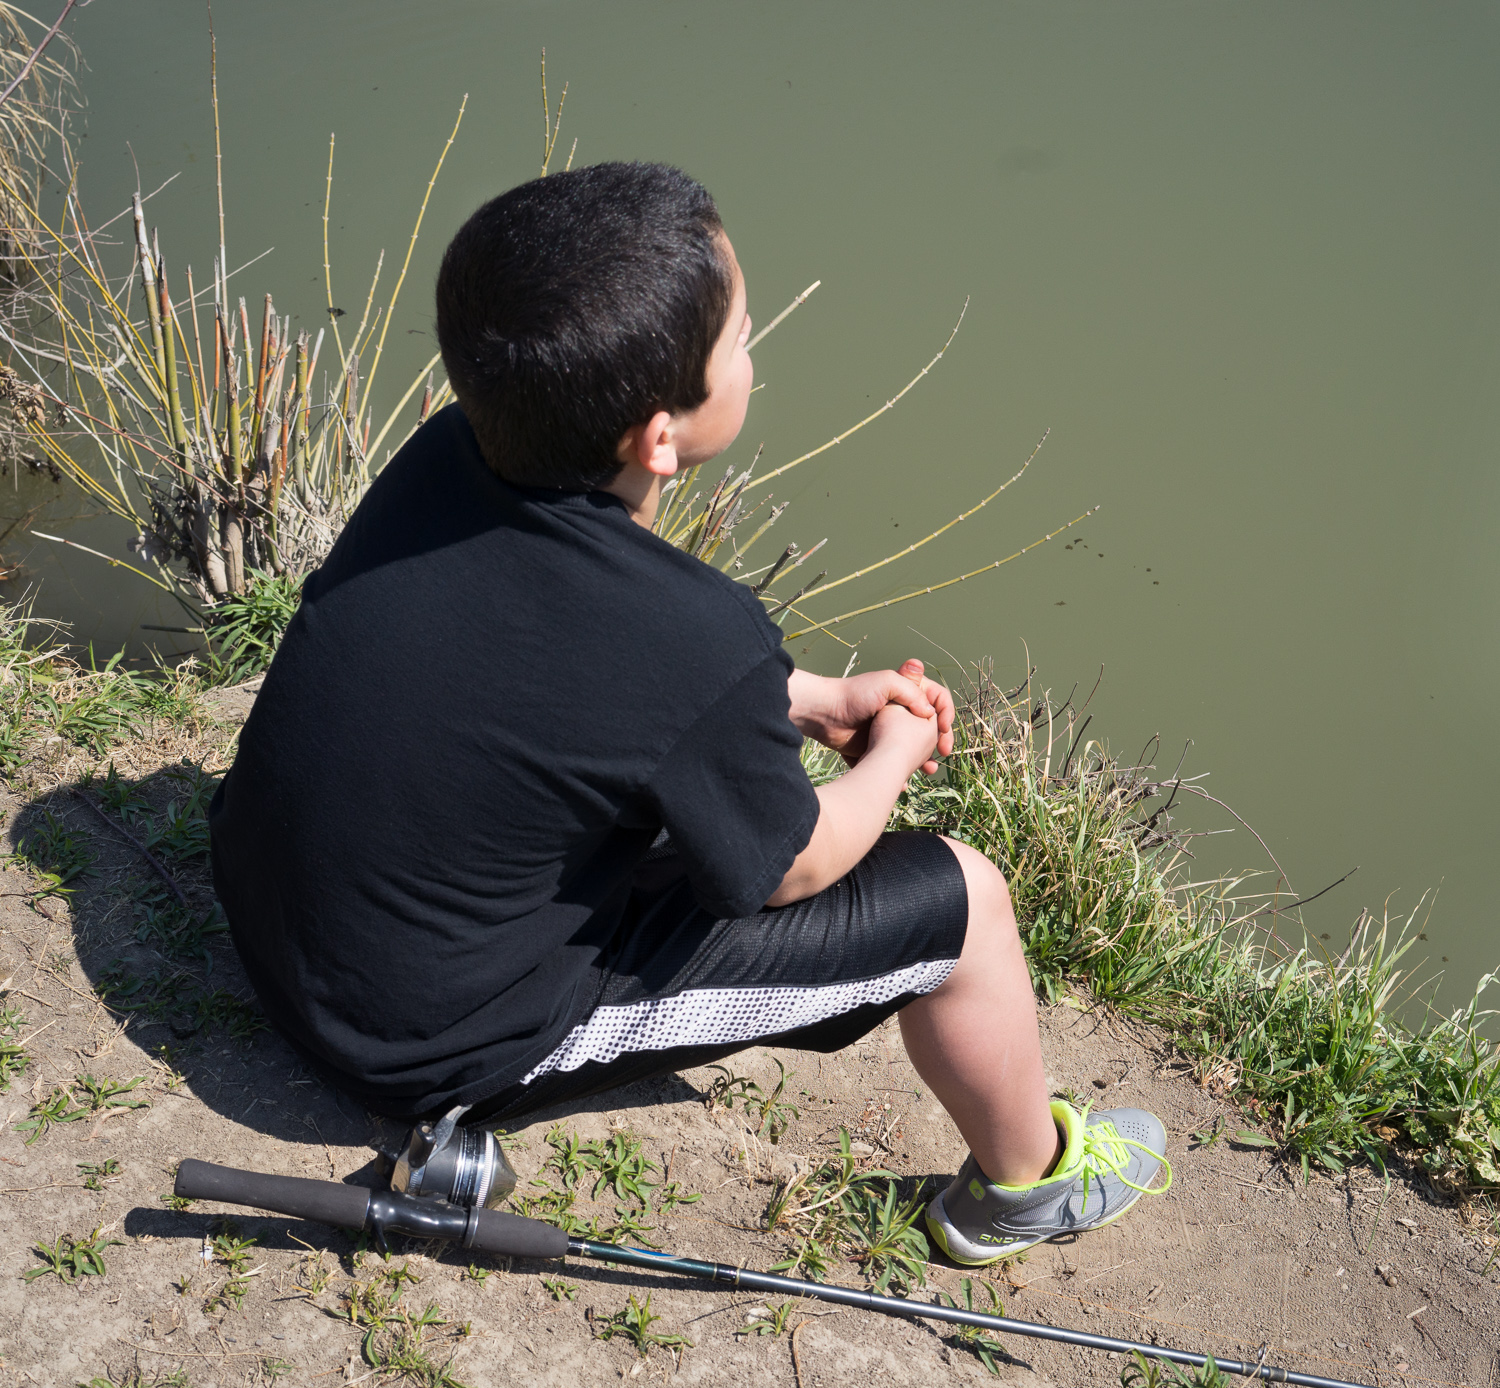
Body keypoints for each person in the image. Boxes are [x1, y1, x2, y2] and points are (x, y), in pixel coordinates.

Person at [209, 162, 1169, 1265]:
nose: (756, 358)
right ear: (659, 438)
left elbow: (579, 661)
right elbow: (790, 867)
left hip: (269, 908)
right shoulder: (699, 632)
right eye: (745, 340)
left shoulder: (446, 456)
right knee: (968, 906)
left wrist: (803, 696)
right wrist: (892, 754)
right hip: (421, 1041)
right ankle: (1022, 1187)